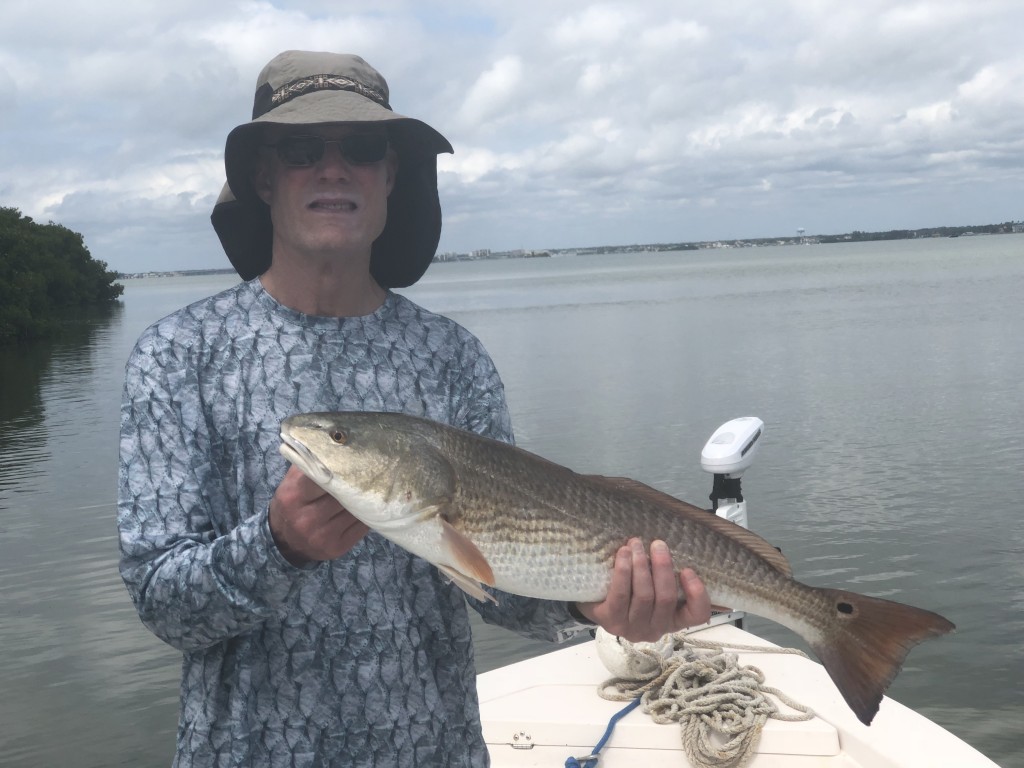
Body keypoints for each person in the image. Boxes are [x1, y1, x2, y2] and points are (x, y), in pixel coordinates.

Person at [117, 50, 710, 767]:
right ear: (263, 178)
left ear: (392, 176)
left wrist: (594, 604)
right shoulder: (177, 355)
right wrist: (275, 546)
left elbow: (498, 579)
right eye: (302, 149)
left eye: (363, 149)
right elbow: (164, 605)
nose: (333, 170)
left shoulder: (451, 357)